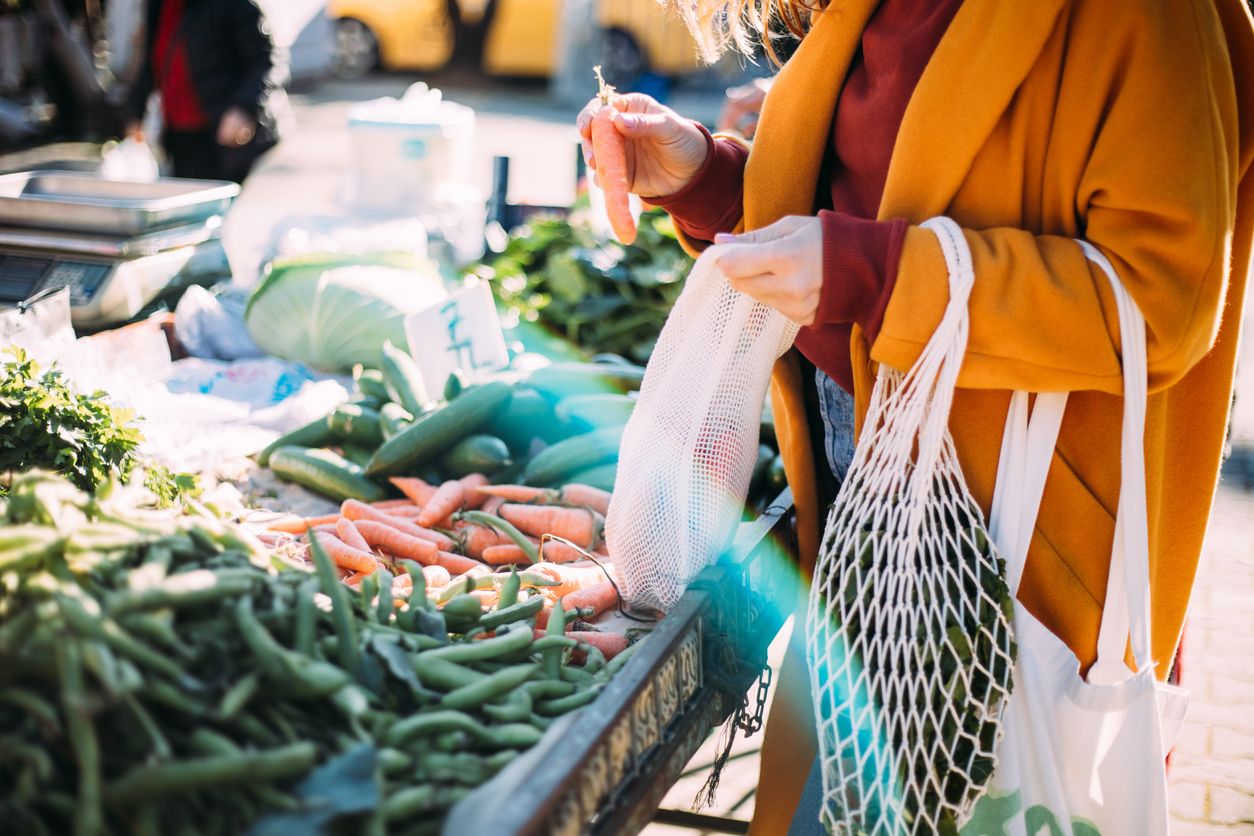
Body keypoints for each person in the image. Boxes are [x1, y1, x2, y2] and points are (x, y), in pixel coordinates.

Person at [578, 0, 1254, 832]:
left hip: (1008, 565)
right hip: (863, 532)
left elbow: (1162, 304)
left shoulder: (1149, 16)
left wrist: (880, 275)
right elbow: (866, 210)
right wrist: (708, 181)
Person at [125, 0, 285, 183]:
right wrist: (135, 113)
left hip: (222, 134)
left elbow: (266, 61)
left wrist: (243, 107)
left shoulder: (234, 5)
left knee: (217, 203)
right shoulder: (159, 5)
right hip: (177, 132)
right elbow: (151, 60)